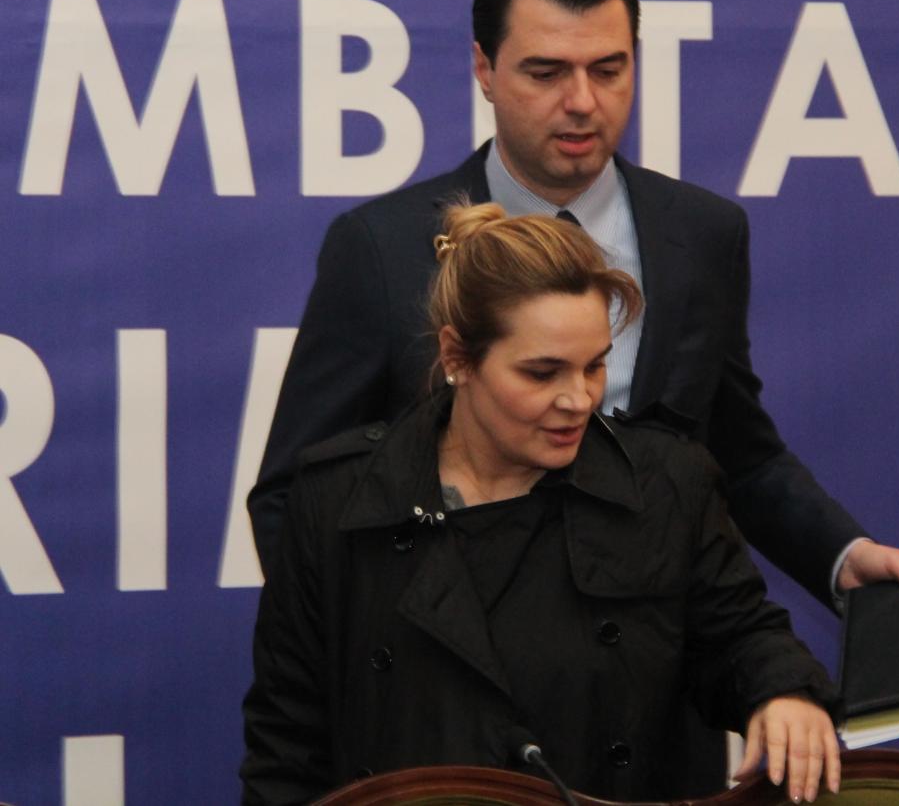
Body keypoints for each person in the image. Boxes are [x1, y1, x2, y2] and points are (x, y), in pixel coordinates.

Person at [249, 0, 899, 610]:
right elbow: (294, 494)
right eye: (546, 73)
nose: (581, 101)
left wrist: (842, 555)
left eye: (607, 70)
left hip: (656, 652)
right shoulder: (381, 248)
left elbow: (738, 454)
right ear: (485, 69)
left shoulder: (702, 235)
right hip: (451, 651)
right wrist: (374, 650)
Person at [240, 204, 843, 804]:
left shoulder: (666, 483)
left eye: (594, 366)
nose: (578, 400)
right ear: (457, 358)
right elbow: (287, 743)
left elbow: (739, 634)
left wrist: (784, 690)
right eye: (542, 373)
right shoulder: (338, 499)